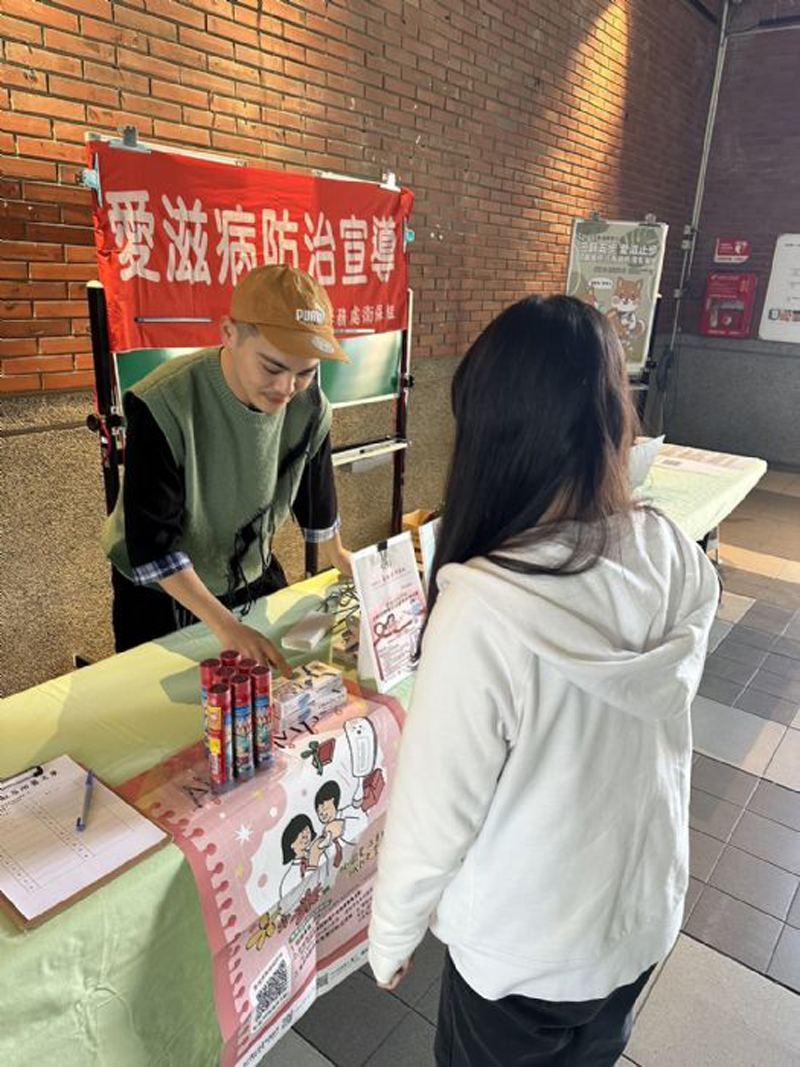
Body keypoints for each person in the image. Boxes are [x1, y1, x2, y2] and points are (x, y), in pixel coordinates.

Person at [368, 295, 719, 1065]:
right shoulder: (671, 552)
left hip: (520, 957)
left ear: (492, 436)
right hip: (634, 929)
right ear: (611, 420)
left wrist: (390, 936)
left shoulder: (484, 610)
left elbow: (433, 815)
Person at [103, 265, 352, 672]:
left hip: (249, 572)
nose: (287, 388)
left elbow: (315, 493)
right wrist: (226, 626)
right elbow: (153, 543)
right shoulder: (163, 403)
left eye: (305, 372)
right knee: (165, 699)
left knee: (275, 685)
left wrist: (340, 556)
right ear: (229, 333)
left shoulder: (309, 408)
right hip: (164, 590)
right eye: (272, 367)